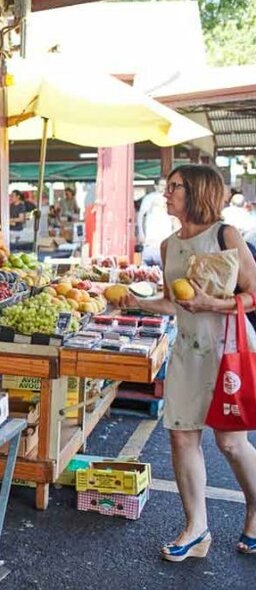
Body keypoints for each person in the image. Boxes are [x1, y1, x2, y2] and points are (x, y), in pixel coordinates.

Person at [121, 164, 256, 562]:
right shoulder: (168, 245)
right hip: (187, 351)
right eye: (167, 188)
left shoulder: (224, 235)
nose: (166, 194)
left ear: (198, 190)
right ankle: (196, 529)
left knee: (231, 442)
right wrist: (136, 303)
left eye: (174, 187)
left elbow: (254, 293)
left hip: (229, 349)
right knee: (182, 436)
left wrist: (211, 304)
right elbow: (171, 302)